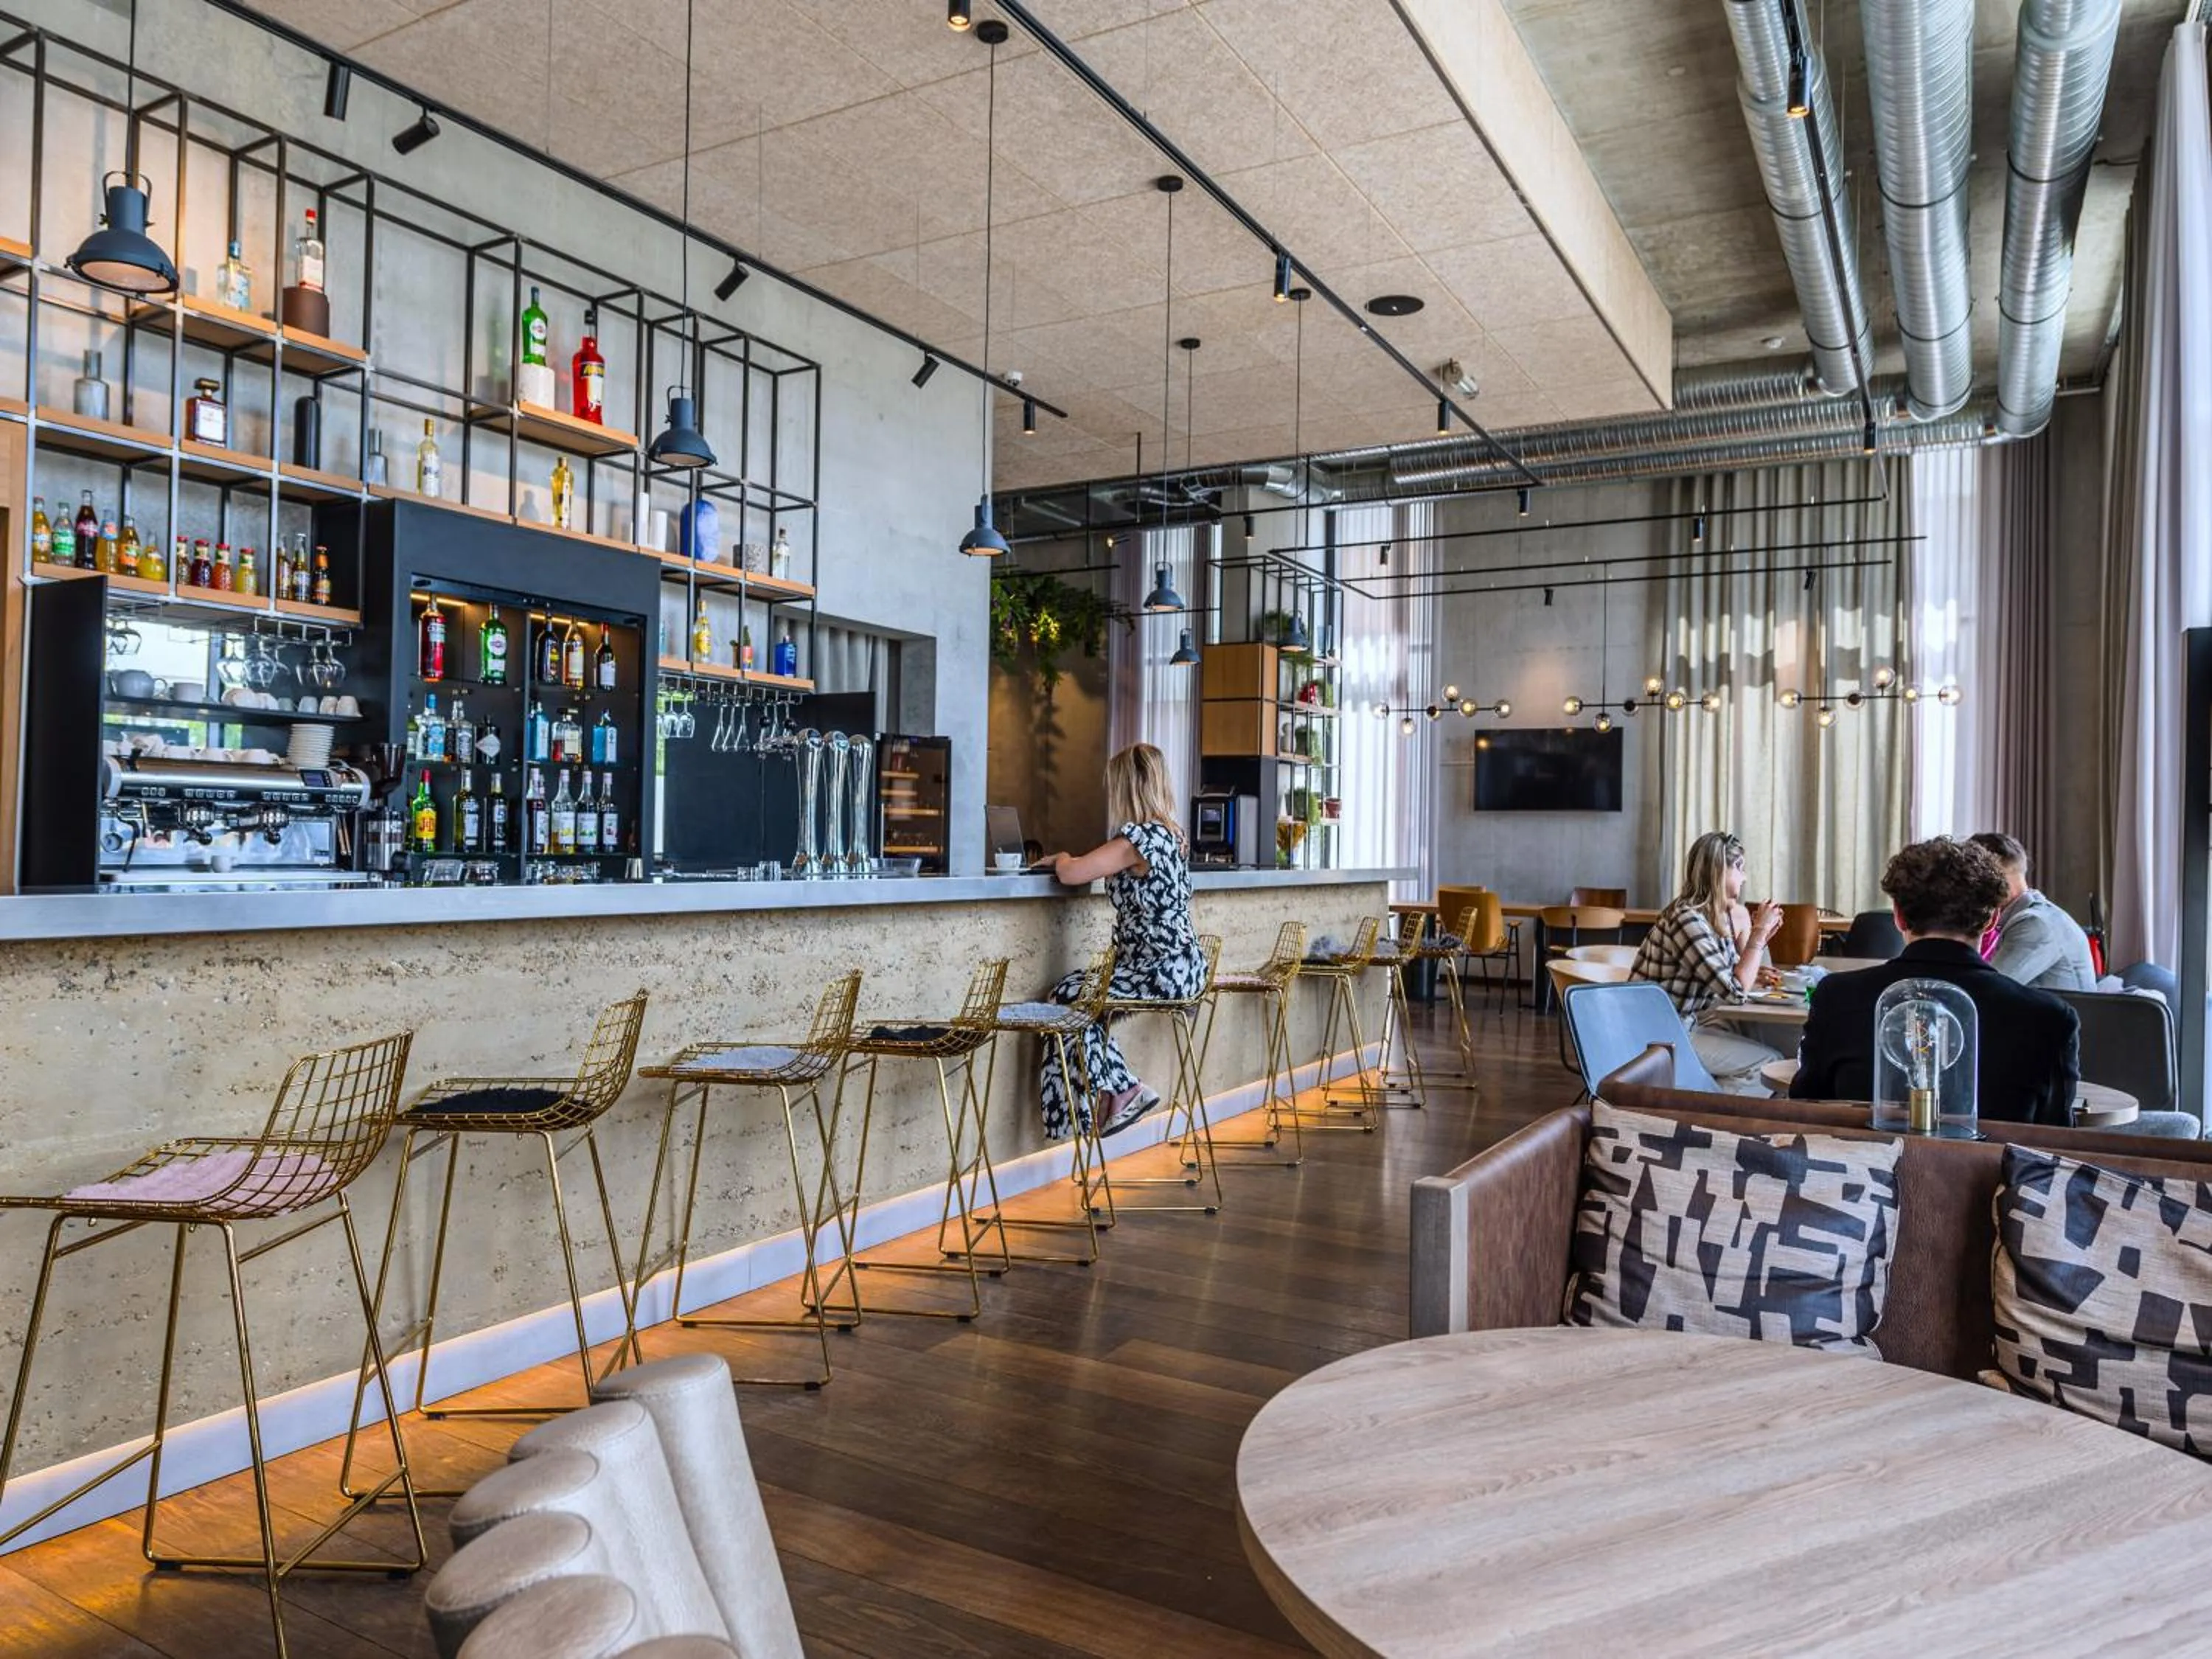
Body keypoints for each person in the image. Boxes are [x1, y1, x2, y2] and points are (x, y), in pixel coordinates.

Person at [1793, 838, 2079, 1124]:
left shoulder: (1837, 996)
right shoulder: (2050, 1018)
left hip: (1862, 1163)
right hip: (1994, 1168)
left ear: (1899, 917)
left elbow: (1806, 1108)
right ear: (1992, 919)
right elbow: (2057, 1138)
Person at [1034, 743, 1208, 1141]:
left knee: (1067, 998)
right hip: (1181, 968)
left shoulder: (1136, 839)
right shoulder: (1172, 835)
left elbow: (1073, 873)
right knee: (1075, 997)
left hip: (1158, 971)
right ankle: (1117, 1093)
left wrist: (1060, 857)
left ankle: (1125, 1089)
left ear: (1128, 787)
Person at [1629, 830, 1786, 1093]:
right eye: (1740, 868)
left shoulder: (1714, 917)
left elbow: (1731, 975)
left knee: (1751, 1038)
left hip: (1680, 1026)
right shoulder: (1687, 919)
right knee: (1767, 1063)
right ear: (1719, 872)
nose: (1745, 877)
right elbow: (1735, 991)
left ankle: (1702, 1110)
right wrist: (1757, 935)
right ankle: (1713, 1122)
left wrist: (1757, 957)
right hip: (1657, 1035)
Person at [1966, 831, 2098, 992]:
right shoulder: (2039, 915)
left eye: (1969, 879)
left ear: (1992, 877)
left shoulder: (2035, 924)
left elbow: (1986, 990)